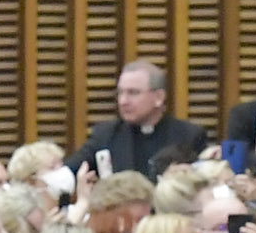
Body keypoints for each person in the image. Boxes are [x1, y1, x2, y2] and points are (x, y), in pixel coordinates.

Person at [76, 58, 209, 180]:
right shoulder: (106, 134)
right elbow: (69, 172)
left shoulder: (189, 135)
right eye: (120, 93)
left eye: (133, 93)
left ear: (158, 97)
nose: (123, 101)